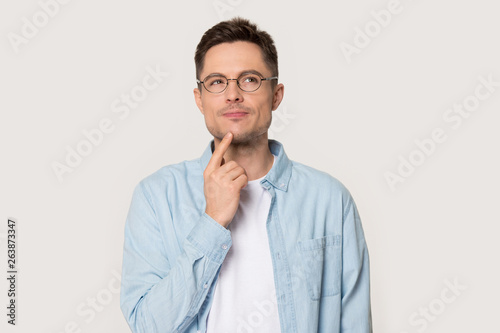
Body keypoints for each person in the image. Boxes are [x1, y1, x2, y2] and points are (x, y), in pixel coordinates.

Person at [120, 17, 372, 333]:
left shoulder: (330, 199)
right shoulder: (156, 197)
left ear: (276, 95)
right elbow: (148, 326)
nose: (233, 95)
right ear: (200, 99)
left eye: (250, 79)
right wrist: (212, 222)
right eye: (216, 82)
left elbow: (354, 323)